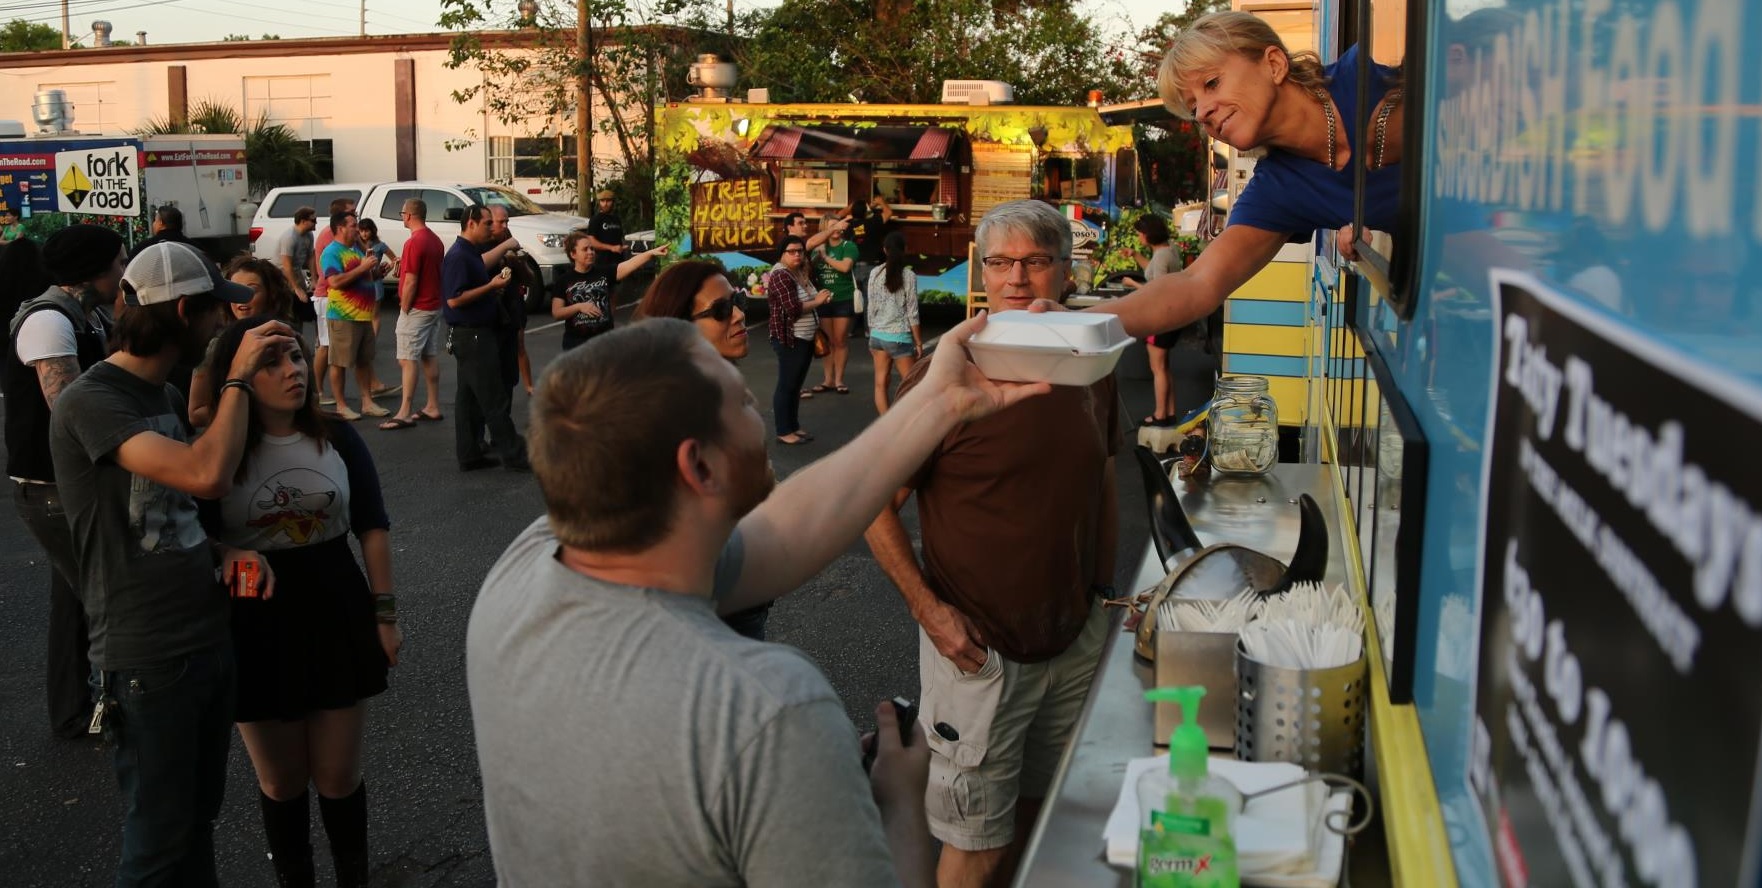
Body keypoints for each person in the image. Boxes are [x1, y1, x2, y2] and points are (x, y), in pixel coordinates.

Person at [466, 314, 1050, 887]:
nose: (758, 412)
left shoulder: (525, 567)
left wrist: (941, 402)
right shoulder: (767, 711)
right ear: (699, 466)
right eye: (744, 402)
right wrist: (899, 803)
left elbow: (789, 527)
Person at [864, 199, 1121, 888]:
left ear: (1065, 270)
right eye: (1001, 262)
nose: (1016, 279)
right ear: (982, 271)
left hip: (1072, 640)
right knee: (974, 844)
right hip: (979, 656)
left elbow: (1103, 475)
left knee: (1046, 815)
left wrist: (1103, 593)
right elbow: (870, 505)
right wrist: (930, 613)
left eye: (1035, 261)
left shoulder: (1092, 364)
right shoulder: (942, 377)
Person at [49, 241, 289, 886]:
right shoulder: (93, 400)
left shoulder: (165, 393)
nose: (223, 324)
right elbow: (205, 474)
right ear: (185, 311)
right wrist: (237, 378)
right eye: (216, 311)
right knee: (157, 844)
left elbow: (166, 512)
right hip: (149, 656)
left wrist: (223, 551)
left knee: (195, 824)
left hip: (204, 638)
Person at [197, 316, 400, 888]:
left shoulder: (337, 436)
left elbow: (372, 525)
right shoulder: (216, 451)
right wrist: (225, 551)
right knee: (282, 782)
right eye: (272, 363)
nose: (293, 371)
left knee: (338, 776)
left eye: (294, 357)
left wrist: (385, 615)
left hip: (337, 606)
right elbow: (190, 536)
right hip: (253, 617)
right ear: (237, 376)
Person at [1081, 11, 1402, 338]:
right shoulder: (1278, 189)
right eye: (1193, 108)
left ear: (1274, 64)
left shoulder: (1374, 74)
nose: (1202, 113)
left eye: (1212, 83)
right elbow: (1197, 283)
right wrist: (1071, 323)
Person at [4, 225, 123, 739]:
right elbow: (73, 412)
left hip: (71, 481)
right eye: (119, 262)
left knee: (78, 594)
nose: (124, 272)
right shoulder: (49, 321)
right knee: (97, 593)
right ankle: (95, 707)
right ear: (93, 270)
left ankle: (77, 708)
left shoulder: (88, 314)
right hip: (51, 486)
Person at [632, 260, 777, 641]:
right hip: (713, 605)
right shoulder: (684, 411)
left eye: (737, 301)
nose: (740, 315)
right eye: (721, 310)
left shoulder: (716, 388)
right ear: (679, 328)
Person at [442, 204, 529, 473]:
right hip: (473, 335)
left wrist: (493, 287)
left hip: (474, 333)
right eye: (487, 223)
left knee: (468, 399)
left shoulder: (470, 253)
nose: (491, 228)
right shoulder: (459, 256)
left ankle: (470, 454)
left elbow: (477, 276)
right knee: (493, 398)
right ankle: (515, 455)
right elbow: (454, 299)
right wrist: (491, 286)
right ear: (471, 223)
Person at [187, 256, 302, 428]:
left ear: (271, 294)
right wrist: (249, 409)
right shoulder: (216, 346)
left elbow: (311, 397)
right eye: (234, 290)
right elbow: (196, 413)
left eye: (251, 290)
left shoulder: (290, 337)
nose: (241, 298)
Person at [382, 198, 446, 429]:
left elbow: (411, 281)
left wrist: (404, 307)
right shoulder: (435, 240)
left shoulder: (414, 242)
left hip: (418, 307)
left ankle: (405, 412)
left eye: (402, 214)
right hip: (434, 305)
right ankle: (432, 405)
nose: (402, 217)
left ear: (408, 215)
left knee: (407, 358)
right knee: (428, 355)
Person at [319, 211, 388, 421]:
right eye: (353, 225)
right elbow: (335, 282)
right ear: (340, 228)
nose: (357, 229)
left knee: (364, 361)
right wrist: (363, 267)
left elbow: (363, 275)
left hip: (363, 315)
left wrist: (377, 272)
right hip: (343, 316)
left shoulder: (355, 250)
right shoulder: (331, 252)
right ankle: (341, 405)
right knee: (339, 362)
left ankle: (367, 402)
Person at [1121, 214, 1189, 426]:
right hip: (1171, 317)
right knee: (1164, 367)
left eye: (1140, 233)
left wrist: (1133, 284)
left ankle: (1159, 415)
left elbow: (1157, 290)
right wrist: (1135, 255)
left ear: (1148, 234)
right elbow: (1153, 273)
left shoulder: (1161, 257)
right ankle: (1169, 412)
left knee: (1157, 368)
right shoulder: (1168, 251)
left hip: (1160, 318)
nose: (1139, 237)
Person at [551, 230, 667, 351]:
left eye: (592, 249)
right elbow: (557, 312)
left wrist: (651, 253)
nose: (590, 252)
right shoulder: (564, 281)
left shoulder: (604, 272)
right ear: (573, 254)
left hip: (604, 342)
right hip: (576, 345)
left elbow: (629, 264)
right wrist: (579, 307)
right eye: (585, 249)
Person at [765, 234, 830, 446]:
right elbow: (792, 309)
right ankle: (784, 431)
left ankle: (793, 426)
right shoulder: (781, 275)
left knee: (795, 384)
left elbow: (810, 296)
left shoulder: (798, 273)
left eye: (800, 251)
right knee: (787, 384)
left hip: (805, 337)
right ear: (782, 254)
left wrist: (820, 296)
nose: (797, 255)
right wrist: (818, 301)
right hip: (790, 338)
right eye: (791, 252)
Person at [866, 230, 922, 415]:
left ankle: (886, 424)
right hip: (899, 337)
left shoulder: (875, 273)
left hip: (877, 336)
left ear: (885, 250)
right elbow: (912, 312)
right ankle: (907, 422)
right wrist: (918, 342)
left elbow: (871, 307)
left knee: (880, 384)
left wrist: (871, 334)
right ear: (905, 249)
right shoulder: (909, 275)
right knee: (911, 385)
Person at [483, 205, 534, 395]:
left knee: (518, 343)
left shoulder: (509, 239)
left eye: (507, 221)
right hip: (490, 308)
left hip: (512, 303)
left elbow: (529, 279)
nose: (505, 226)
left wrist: (518, 262)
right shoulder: (481, 243)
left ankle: (528, 385)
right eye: (500, 222)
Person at [810, 216, 860, 394]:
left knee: (840, 340)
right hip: (823, 300)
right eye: (832, 226)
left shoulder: (849, 246)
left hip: (843, 298)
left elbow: (845, 267)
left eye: (838, 225)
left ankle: (839, 380)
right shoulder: (818, 247)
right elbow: (809, 269)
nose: (837, 229)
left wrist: (824, 257)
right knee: (828, 341)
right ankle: (828, 380)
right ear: (824, 229)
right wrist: (818, 255)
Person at [277, 206, 319, 333]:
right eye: (313, 220)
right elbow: (286, 265)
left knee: (302, 307)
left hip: (297, 272)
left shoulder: (309, 235)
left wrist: (314, 279)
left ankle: (298, 335)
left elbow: (311, 257)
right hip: (282, 276)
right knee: (290, 309)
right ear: (303, 221)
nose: (316, 223)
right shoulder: (290, 237)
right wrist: (296, 288)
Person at [356, 217, 397, 339]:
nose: (364, 234)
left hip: (375, 283)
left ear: (372, 231)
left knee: (374, 315)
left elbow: (395, 259)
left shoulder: (379, 245)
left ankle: (372, 341)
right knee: (360, 314)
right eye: (361, 231)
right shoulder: (355, 245)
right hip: (360, 282)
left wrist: (386, 270)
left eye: (367, 230)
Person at [583, 188, 626, 271]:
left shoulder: (617, 219)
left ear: (613, 202)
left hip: (618, 262)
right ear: (599, 202)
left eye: (608, 201)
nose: (605, 204)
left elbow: (620, 238)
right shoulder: (596, 219)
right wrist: (611, 248)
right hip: (602, 263)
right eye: (602, 201)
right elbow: (591, 241)